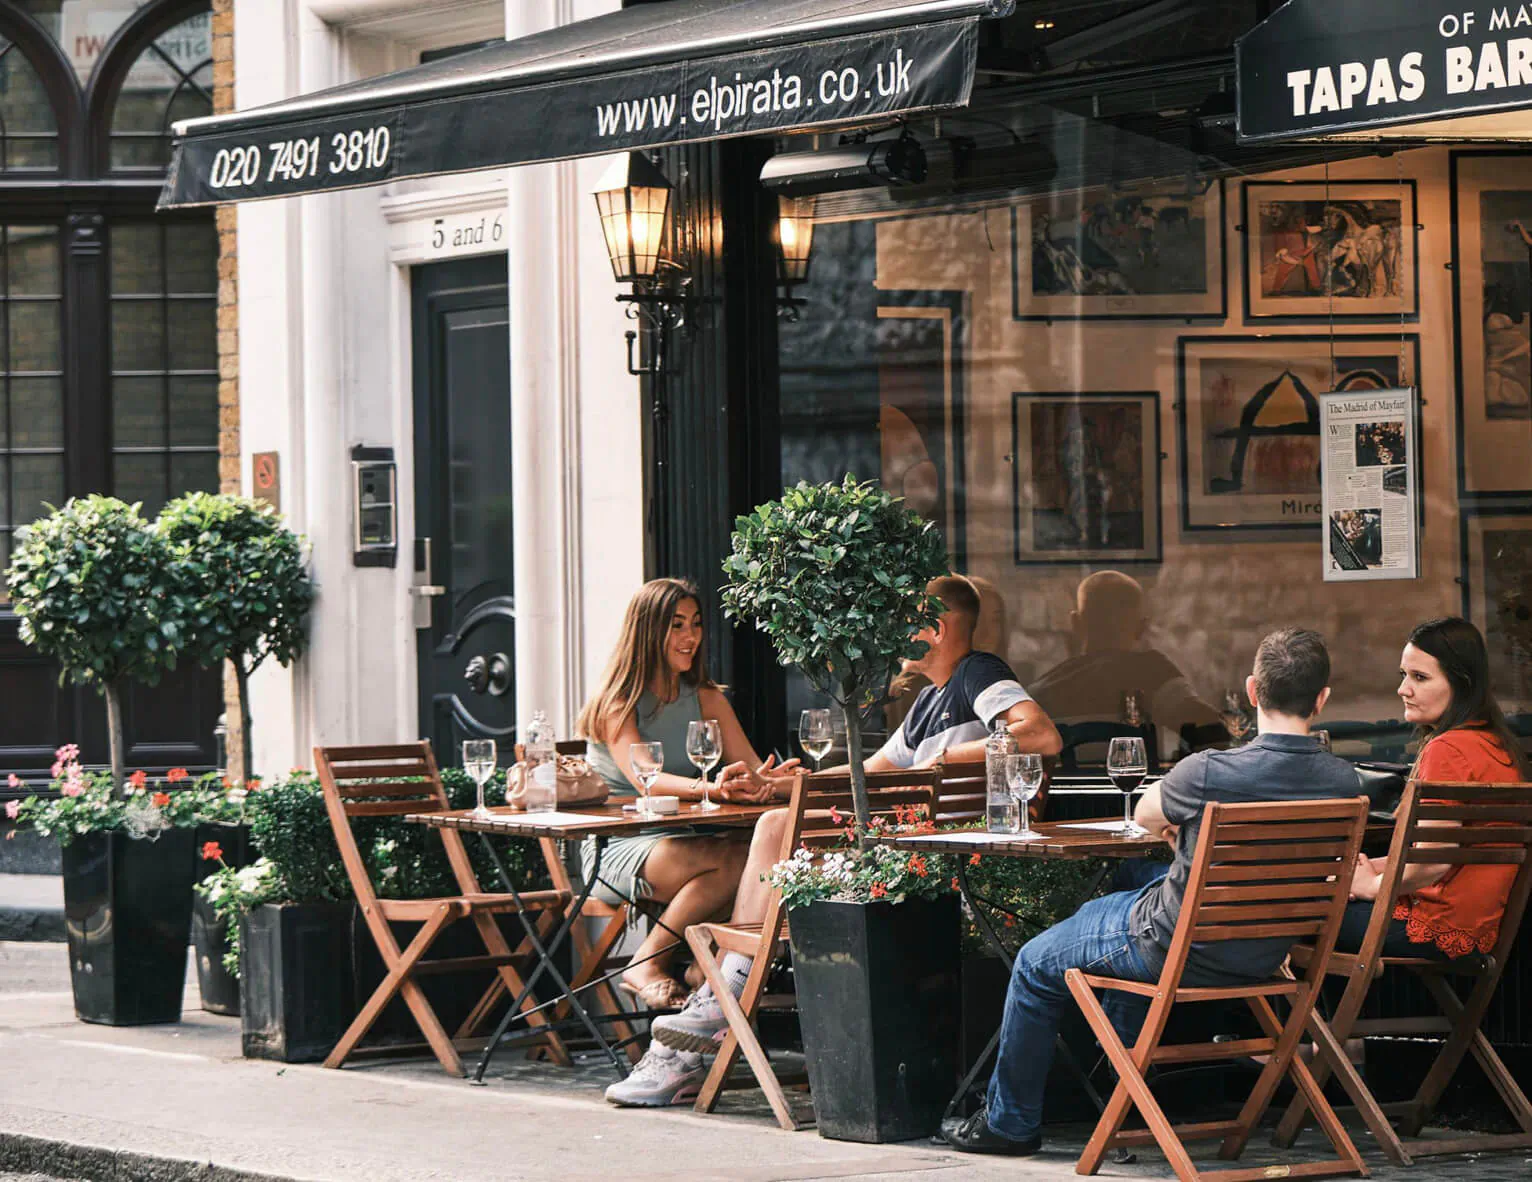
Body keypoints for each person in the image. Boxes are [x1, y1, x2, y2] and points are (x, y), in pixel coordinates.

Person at [604, 574, 1062, 1108]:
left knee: (776, 829)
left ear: (933, 630)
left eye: (901, 624)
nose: (890, 638)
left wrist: (949, 759)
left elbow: (1041, 734)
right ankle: (722, 993)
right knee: (776, 821)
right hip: (919, 848)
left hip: (945, 861)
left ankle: (721, 995)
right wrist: (783, 784)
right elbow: (869, 772)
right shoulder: (929, 703)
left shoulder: (977, 674)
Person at [942, 628, 1360, 1156]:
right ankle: (1123, 1090)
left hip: (1172, 948)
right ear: (1322, 699)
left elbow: (1143, 816)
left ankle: (1010, 1124)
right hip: (1263, 956)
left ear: (1253, 691)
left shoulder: (1208, 772)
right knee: (1122, 893)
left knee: (1032, 961)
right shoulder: (1343, 782)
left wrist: (1178, 829)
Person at [576, 578, 795, 1016]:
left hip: (690, 840)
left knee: (745, 857)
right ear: (648, 632)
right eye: (677, 626)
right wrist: (713, 788)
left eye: (695, 624)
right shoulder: (618, 701)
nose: (690, 637)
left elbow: (751, 768)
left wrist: (780, 781)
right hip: (621, 845)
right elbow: (647, 780)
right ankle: (649, 963)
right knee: (733, 858)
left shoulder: (706, 697)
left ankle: (706, 967)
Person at [1341, 618, 1532, 959]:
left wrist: (1370, 886)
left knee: (1295, 914)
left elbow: (1432, 865)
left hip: (1432, 924)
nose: (1403, 689)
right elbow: (1436, 855)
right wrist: (1361, 871)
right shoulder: (1498, 746)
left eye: (1420, 677)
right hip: (1475, 924)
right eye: (1404, 675)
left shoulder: (1449, 749)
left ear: (1462, 684)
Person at [1027, 570, 1219, 761]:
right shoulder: (1152, 672)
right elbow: (1212, 730)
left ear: (1076, 623)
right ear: (1141, 628)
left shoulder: (1041, 690)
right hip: (1138, 790)